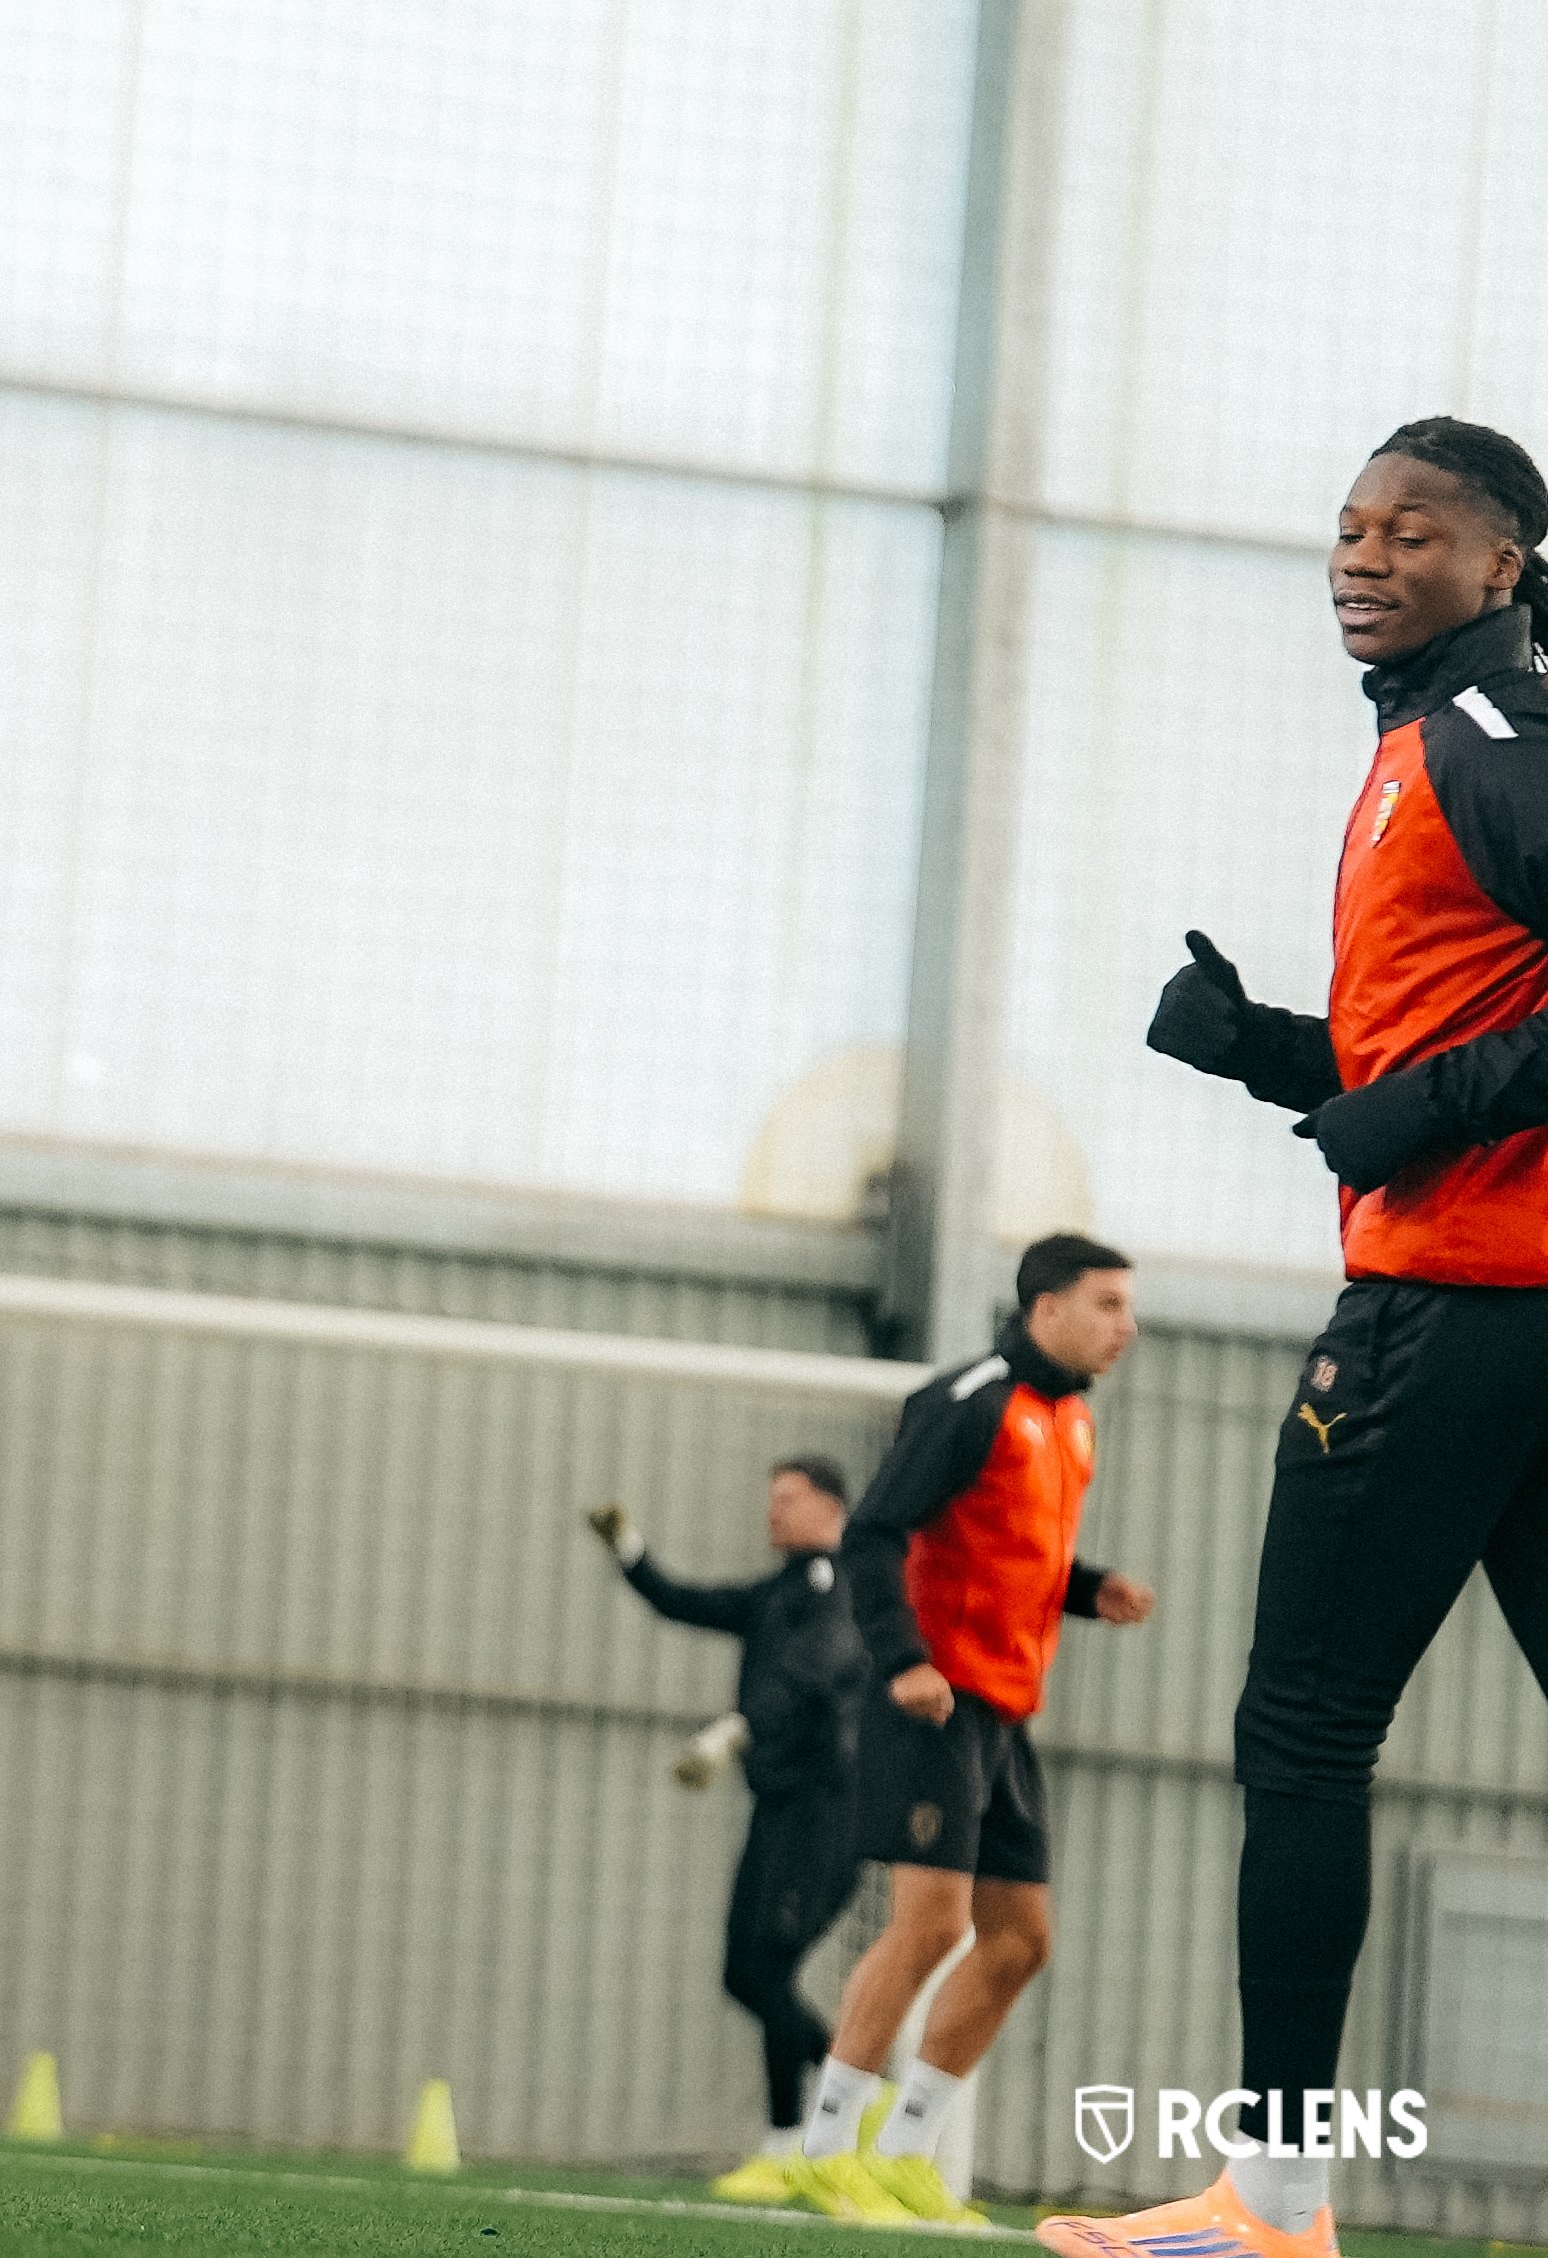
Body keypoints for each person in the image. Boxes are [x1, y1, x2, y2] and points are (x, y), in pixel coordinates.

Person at [1049, 418, 1548, 2258]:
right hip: (1510, 1302)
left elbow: (1446, 1091)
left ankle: (1268, 2204)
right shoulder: (1425, 750)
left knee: (1303, 1731)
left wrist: (1408, 1122)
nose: (1359, 555)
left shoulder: (1485, 743)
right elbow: (1439, 1043)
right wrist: (1258, 1042)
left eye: (1408, 532)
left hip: (1442, 1309)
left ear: (1500, 566)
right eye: (1344, 527)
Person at [791, 1236, 1157, 2227]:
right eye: (1107, 1302)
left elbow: (1008, 1547)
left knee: (1019, 1941)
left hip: (1005, 1708)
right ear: (1044, 1307)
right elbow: (874, 1530)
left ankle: (906, 2152)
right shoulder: (972, 1399)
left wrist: (1089, 1587)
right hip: (934, 1699)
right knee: (934, 1923)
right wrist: (905, 1658)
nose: (1126, 1324)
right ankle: (825, 2151)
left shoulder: (1070, 1420)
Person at [584, 1457, 870, 2203]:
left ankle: (786, 2147)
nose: (771, 1511)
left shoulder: (834, 1587)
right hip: (779, 1808)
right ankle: (860, 2091)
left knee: (768, 1971)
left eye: (788, 1499)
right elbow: (682, 1601)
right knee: (741, 1974)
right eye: (768, 1497)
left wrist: (731, 1733)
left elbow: (811, 1676)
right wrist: (629, 1548)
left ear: (831, 1507)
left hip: (826, 1811)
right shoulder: (778, 1590)